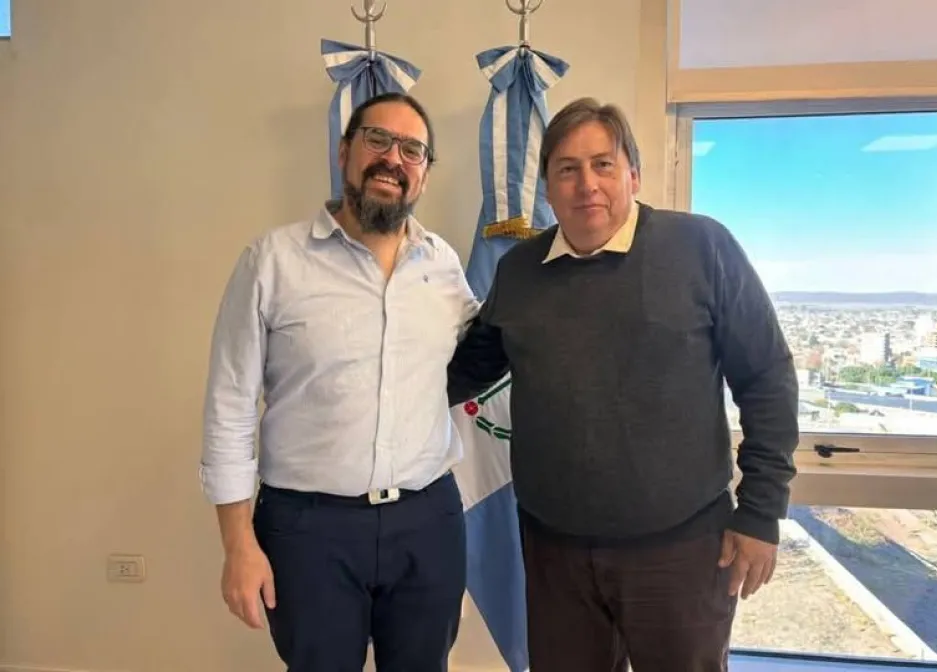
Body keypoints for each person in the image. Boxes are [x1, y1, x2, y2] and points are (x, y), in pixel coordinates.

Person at [447, 97, 800, 672]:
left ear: (633, 174)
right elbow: (465, 371)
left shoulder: (702, 248)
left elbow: (767, 379)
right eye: (567, 169)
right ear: (548, 187)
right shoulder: (518, 272)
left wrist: (762, 512)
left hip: (681, 551)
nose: (587, 183)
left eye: (603, 164)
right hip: (555, 553)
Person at [200, 92, 478, 672]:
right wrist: (238, 544)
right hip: (308, 531)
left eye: (412, 150)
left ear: (424, 174)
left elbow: (483, 355)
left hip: (427, 523)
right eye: (378, 140)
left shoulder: (443, 265)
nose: (393, 159)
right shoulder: (272, 262)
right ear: (344, 151)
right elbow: (229, 408)